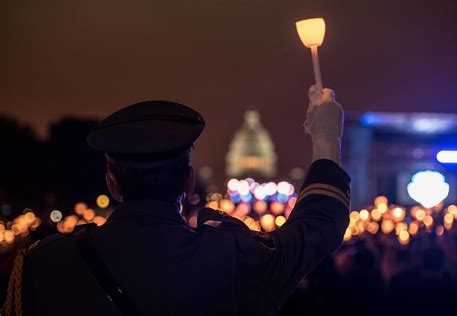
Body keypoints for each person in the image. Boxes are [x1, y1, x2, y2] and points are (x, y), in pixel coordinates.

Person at [4, 86, 350, 315]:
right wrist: (325, 140)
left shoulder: (43, 265)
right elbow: (317, 227)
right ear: (188, 179)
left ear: (112, 183)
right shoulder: (229, 257)